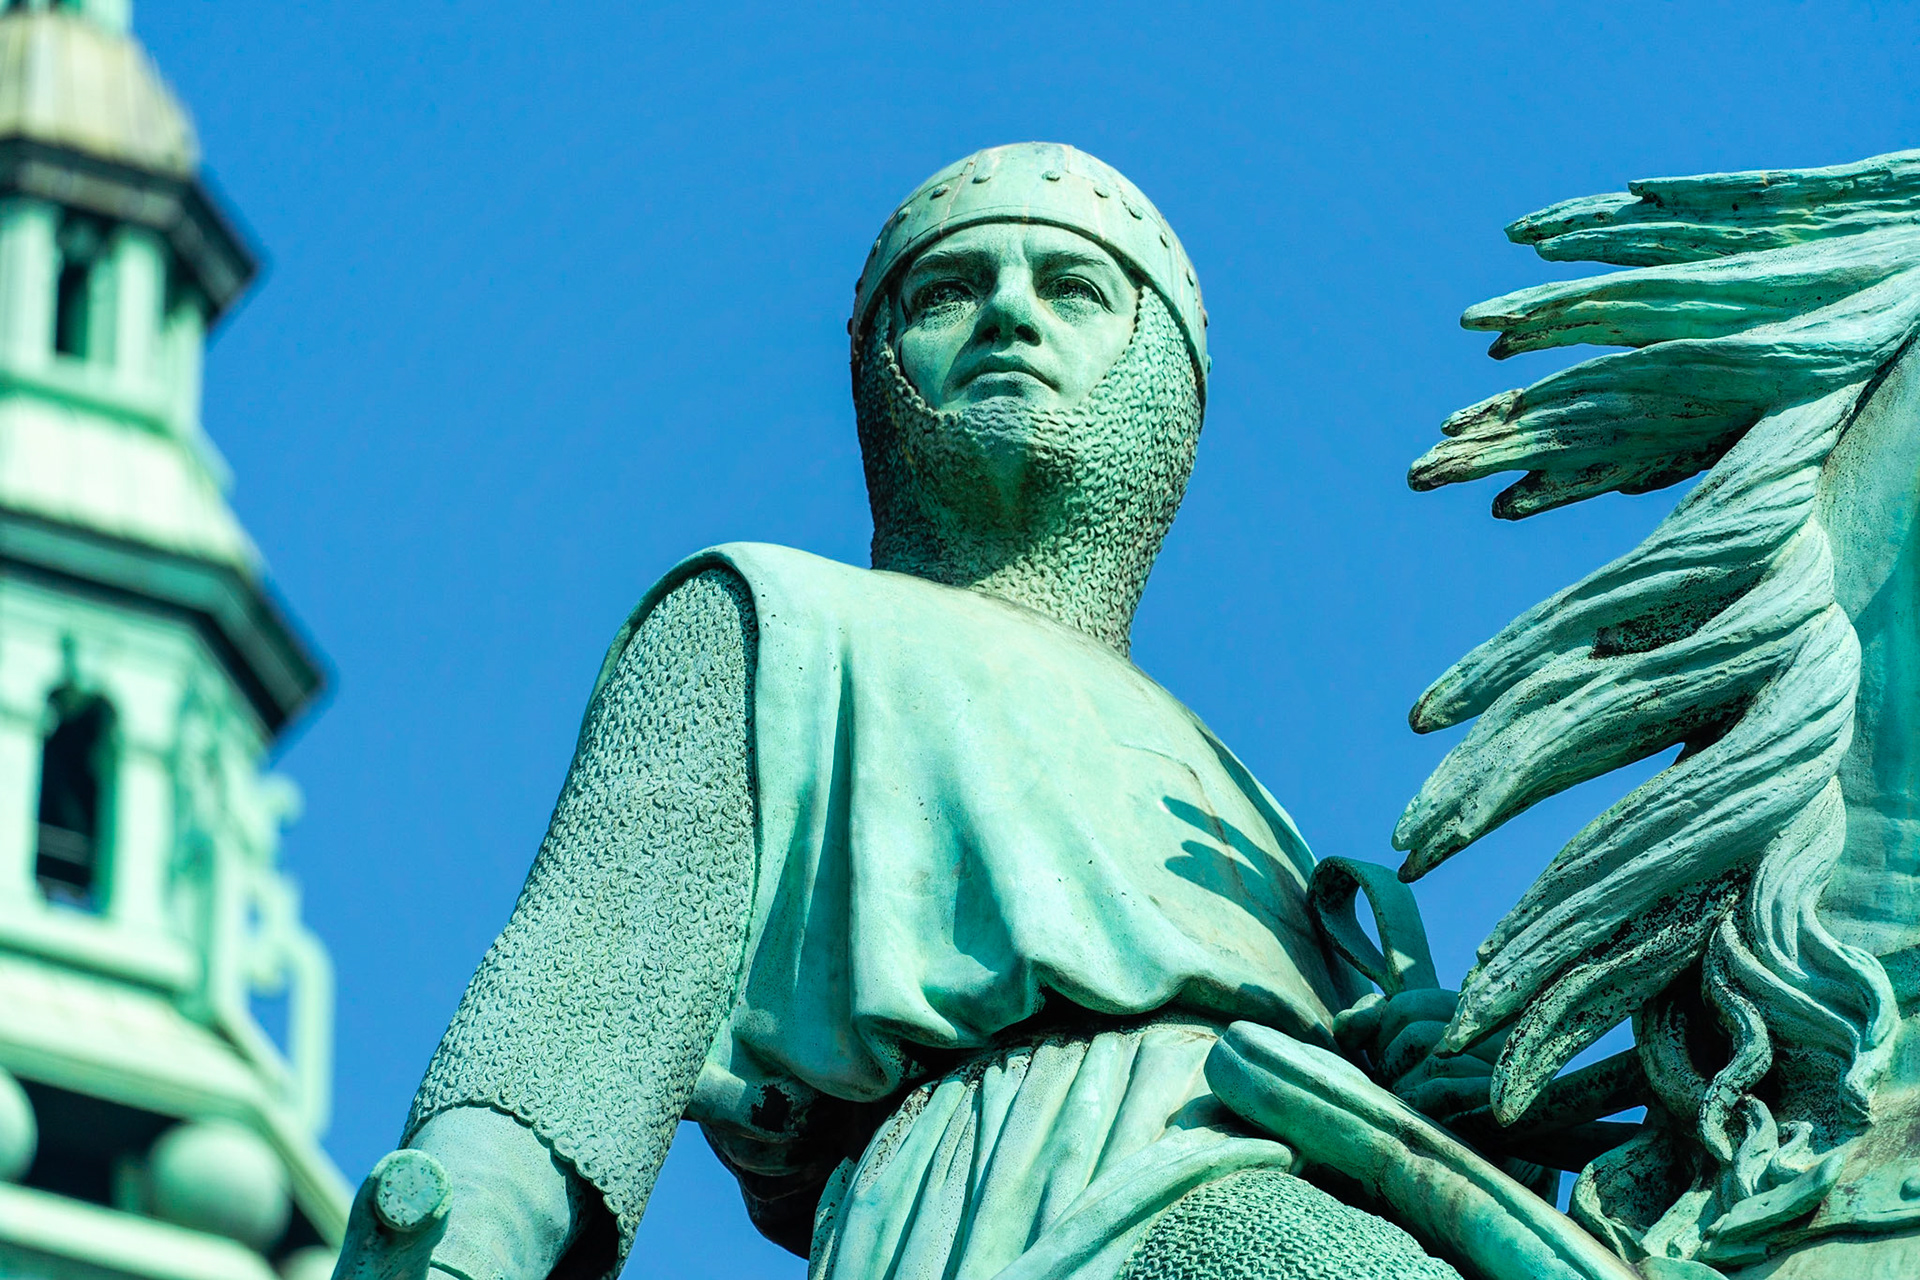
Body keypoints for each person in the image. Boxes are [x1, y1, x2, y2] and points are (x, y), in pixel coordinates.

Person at [334, 144, 1612, 1280]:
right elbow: (576, 1001)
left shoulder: (1249, 808)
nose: (1010, 310)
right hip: (1060, 1195)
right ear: (882, 376)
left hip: (1313, 1173)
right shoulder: (773, 619)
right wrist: (465, 1225)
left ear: (1159, 377)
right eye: (948, 290)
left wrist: (1439, 1087)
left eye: (1073, 288)